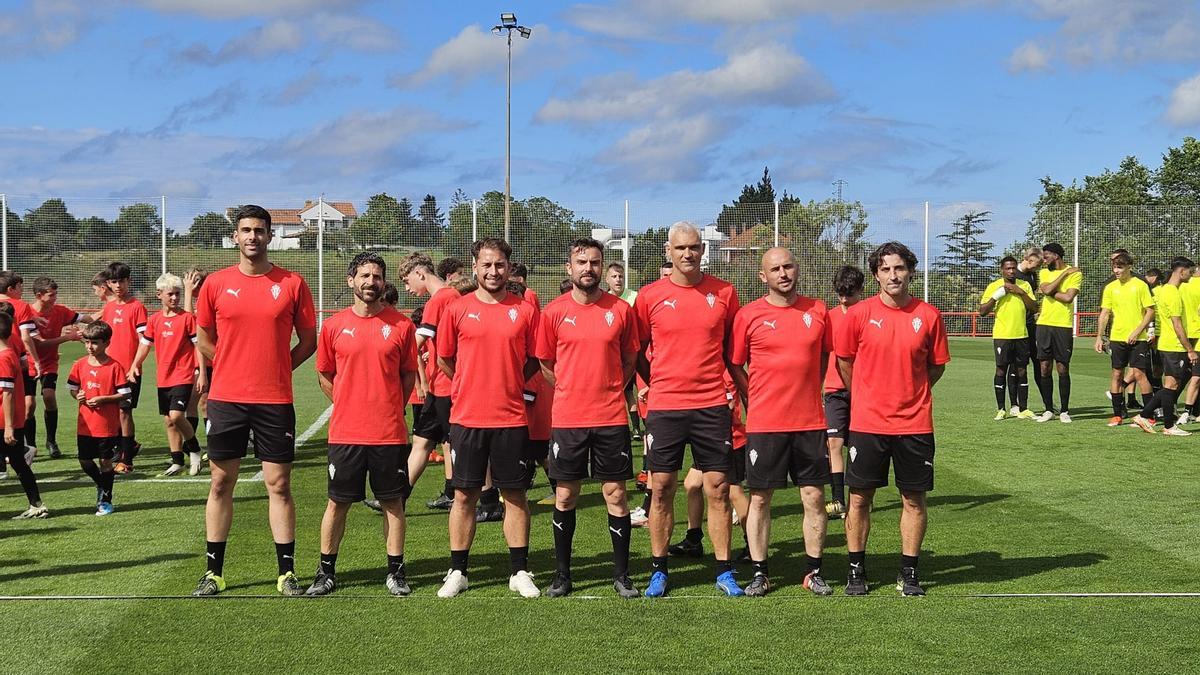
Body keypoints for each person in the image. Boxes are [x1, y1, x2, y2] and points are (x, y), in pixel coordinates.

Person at [192, 204, 318, 597]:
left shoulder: (292, 283)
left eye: (259, 231)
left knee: (278, 485)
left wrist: (279, 367)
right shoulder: (215, 284)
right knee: (220, 482)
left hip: (274, 400)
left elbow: (309, 341)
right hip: (227, 398)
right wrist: (227, 365)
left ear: (269, 236)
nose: (252, 237)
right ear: (235, 236)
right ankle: (214, 573)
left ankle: (286, 573)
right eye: (245, 230)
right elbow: (203, 337)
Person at [836, 241, 950, 597]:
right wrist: (868, 397)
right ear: (875, 276)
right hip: (868, 424)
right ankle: (856, 571)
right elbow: (845, 363)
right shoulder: (857, 315)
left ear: (910, 272)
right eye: (885, 269)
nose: (893, 275)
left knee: (914, 499)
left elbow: (935, 366)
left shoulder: (929, 316)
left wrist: (910, 392)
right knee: (859, 499)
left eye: (899, 268)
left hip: (914, 424)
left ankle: (909, 573)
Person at [635, 221, 742, 598]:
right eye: (680, 248)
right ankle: (659, 570)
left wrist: (740, 395)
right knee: (662, 488)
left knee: (718, 488)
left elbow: (733, 351)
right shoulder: (649, 297)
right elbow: (637, 351)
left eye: (694, 247)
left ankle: (723, 569)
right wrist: (659, 382)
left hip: (712, 405)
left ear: (702, 250)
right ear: (668, 252)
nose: (688, 254)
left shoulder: (725, 293)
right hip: (665, 407)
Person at [307, 252, 419, 597]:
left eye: (377, 276)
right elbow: (325, 374)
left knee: (393, 503)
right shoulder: (335, 326)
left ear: (384, 283)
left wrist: (389, 408)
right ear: (351, 281)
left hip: (388, 433)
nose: (371, 282)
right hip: (346, 434)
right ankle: (326, 572)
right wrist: (346, 405)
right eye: (365, 276)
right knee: (337, 503)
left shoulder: (401, 325)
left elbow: (408, 375)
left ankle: (396, 572)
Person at [435, 237, 541, 599]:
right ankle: (458, 571)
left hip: (511, 418)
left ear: (509, 268)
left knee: (514, 494)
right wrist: (471, 384)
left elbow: (532, 360)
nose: (493, 271)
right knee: (464, 495)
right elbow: (445, 359)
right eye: (486, 265)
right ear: (475, 267)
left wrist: (506, 381)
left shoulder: (525, 310)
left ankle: (519, 571)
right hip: (467, 418)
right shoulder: (456, 309)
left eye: (499, 265)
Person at [536, 238, 641, 598]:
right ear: (569, 268)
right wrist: (569, 388)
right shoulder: (552, 313)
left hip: (610, 417)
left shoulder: (621, 310)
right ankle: (562, 575)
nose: (588, 269)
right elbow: (546, 363)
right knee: (565, 495)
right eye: (581, 262)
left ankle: (622, 575)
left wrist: (612, 387)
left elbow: (630, 358)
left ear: (602, 267)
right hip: (568, 418)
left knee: (616, 494)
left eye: (594, 263)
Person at [729, 247, 833, 597]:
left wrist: (809, 390)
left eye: (788, 266)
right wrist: (753, 396)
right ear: (763, 277)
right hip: (765, 423)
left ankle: (813, 571)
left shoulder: (818, 310)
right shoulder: (748, 315)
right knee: (760, 499)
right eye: (775, 269)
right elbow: (735, 363)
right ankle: (760, 572)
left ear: (797, 269)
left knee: (813, 497)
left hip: (809, 422)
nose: (783, 273)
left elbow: (822, 357)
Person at [127, 273, 206, 476]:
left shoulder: (187, 318)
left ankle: (195, 450)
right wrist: (135, 364)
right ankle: (177, 460)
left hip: (184, 374)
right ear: (159, 294)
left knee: (177, 415)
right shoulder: (154, 321)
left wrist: (202, 372)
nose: (174, 298)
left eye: (177, 294)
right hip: (163, 376)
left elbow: (199, 347)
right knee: (169, 421)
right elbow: (144, 345)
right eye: (170, 294)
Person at [398, 253, 460, 510]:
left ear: (420, 274)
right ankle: (397, 497)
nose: (407, 288)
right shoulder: (447, 297)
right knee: (424, 441)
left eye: (406, 280)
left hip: (445, 385)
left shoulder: (442, 298)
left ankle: (470, 496)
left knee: (453, 443)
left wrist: (387, 357)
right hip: (437, 384)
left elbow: (417, 342)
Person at [67, 321, 130, 516]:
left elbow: (125, 393)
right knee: (85, 461)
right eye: (87, 342)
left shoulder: (114, 367)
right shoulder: (79, 364)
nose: (89, 347)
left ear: (106, 343)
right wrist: (77, 396)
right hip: (85, 424)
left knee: (105, 462)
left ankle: (106, 500)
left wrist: (104, 399)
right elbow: (72, 388)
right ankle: (103, 485)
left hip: (107, 426)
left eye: (94, 343)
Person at [1131, 257, 1195, 436]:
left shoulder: (1163, 290)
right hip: (1174, 346)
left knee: (1170, 386)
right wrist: (1189, 349)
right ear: (1181, 271)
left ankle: (1156, 420)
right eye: (1190, 271)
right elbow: (1177, 324)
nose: (1191, 275)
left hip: (1166, 344)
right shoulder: (1173, 293)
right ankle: (1159, 422)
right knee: (1171, 386)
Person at [29, 277, 87, 460]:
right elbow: (42, 343)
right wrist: (69, 337)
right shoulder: (27, 313)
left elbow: (87, 318)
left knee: (49, 397)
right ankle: (30, 445)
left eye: (55, 294)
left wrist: (108, 307)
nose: (55, 298)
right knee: (28, 405)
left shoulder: (60, 311)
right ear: (39, 295)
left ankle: (51, 441)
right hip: (29, 363)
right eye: (51, 295)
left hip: (49, 363)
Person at [1095, 252, 1155, 426]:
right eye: (1114, 267)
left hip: (1138, 339)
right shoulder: (1110, 287)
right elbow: (1105, 313)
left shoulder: (1140, 285)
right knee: (1116, 374)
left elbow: (1150, 311)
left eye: (1120, 267)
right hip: (1117, 337)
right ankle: (1117, 415)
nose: (1116, 270)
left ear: (1129, 267)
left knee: (1139, 374)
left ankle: (1148, 415)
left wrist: (1137, 331)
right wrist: (1099, 336)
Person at [99, 262, 148, 473]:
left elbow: (144, 340)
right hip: (110, 371)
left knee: (124, 412)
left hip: (129, 371)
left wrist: (135, 366)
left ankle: (127, 460)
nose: (118, 285)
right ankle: (130, 445)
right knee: (112, 413)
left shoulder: (137, 306)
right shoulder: (109, 307)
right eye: (114, 281)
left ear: (129, 281)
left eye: (122, 281)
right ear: (108, 283)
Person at [824, 265, 863, 519]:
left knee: (859, 446)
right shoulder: (828, 317)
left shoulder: (868, 315)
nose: (844, 299)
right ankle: (838, 499)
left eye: (849, 293)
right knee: (834, 443)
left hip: (863, 390)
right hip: (834, 390)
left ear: (861, 290)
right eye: (840, 293)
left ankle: (860, 496)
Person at [0, 307, 47, 519]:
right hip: (10, 419)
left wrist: (9, 426)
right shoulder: (9, 352)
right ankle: (36, 505)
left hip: (4, 420)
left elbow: (7, 393)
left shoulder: (3, 358)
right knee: (18, 462)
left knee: (18, 462)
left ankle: (37, 505)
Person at [979, 257, 1037, 420]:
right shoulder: (994, 286)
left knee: (1022, 370)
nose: (1011, 271)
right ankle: (1001, 409)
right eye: (1008, 268)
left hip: (1021, 335)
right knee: (1001, 369)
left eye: (1013, 268)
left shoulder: (1024, 285)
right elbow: (982, 311)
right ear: (1002, 270)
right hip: (1002, 335)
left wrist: (1021, 292)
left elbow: (1034, 308)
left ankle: (1023, 408)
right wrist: (996, 296)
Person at [1034, 243, 1081, 423]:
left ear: (1057, 255)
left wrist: (1050, 291)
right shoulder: (1045, 272)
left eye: (1046, 256)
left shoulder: (1076, 272)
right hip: (1044, 325)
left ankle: (1064, 410)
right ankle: (1048, 409)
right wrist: (1063, 276)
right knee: (1044, 367)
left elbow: (1068, 297)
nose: (1043, 259)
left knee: (1062, 368)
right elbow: (1045, 289)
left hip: (1063, 326)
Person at [0, 272, 42, 462]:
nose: (22, 291)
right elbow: (25, 337)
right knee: (19, 405)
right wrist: (36, 361)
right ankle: (22, 449)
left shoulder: (21, 307)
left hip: (8, 361)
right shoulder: (21, 306)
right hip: (15, 361)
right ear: (11, 289)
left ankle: (18, 451)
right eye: (20, 287)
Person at [1008, 248, 1043, 415]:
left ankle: (1047, 403)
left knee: (1039, 362)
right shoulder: (1014, 277)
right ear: (1028, 260)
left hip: (1031, 326)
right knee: (1014, 365)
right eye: (1036, 264)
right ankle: (1014, 404)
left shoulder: (1031, 276)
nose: (1037, 268)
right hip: (1016, 326)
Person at [183, 266, 210, 439]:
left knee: (206, 403)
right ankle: (190, 447)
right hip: (193, 361)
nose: (189, 284)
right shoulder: (195, 301)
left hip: (209, 361)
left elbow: (190, 321)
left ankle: (214, 444)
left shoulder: (206, 301)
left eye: (192, 281)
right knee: (194, 403)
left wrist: (187, 293)